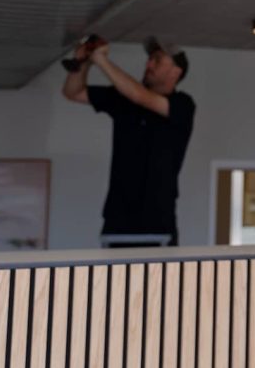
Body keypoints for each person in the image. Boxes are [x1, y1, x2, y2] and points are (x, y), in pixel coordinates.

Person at [62, 36, 196, 247]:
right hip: (118, 222)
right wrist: (83, 63)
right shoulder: (122, 98)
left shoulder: (182, 105)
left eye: (157, 60)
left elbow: (141, 97)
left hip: (156, 225)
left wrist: (102, 60)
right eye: (149, 59)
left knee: (158, 281)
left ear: (176, 72)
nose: (148, 64)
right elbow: (73, 92)